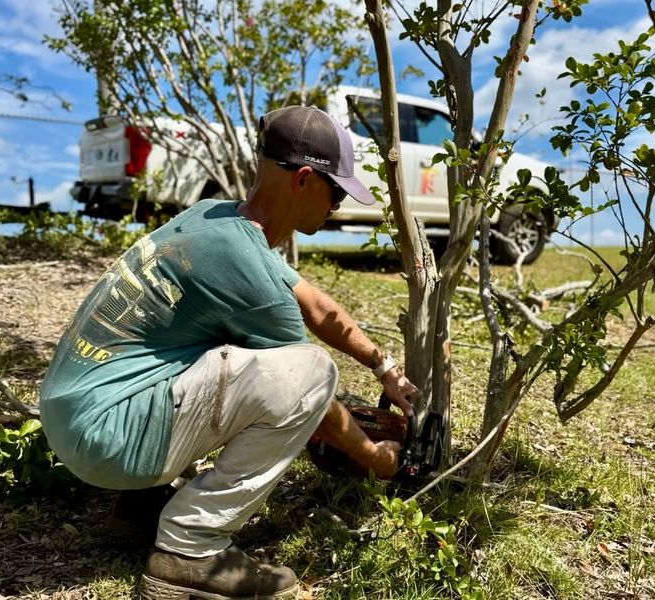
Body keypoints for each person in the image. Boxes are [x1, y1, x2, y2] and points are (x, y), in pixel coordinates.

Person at [39, 105, 418, 600]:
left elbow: (316, 306)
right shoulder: (245, 269)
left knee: (206, 342)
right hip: (107, 439)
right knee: (312, 373)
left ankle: (140, 506)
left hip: (71, 415)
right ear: (304, 179)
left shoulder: (214, 217)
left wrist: (383, 366)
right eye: (337, 191)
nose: (337, 206)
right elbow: (311, 397)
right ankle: (190, 548)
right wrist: (373, 456)